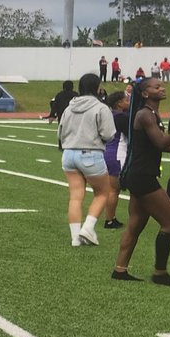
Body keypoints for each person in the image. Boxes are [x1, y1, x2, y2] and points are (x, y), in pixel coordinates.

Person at [112, 78, 170, 285]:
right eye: (157, 86)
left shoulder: (150, 114)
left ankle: (120, 269)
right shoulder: (145, 114)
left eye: (162, 85)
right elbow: (161, 142)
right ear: (145, 94)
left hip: (139, 175)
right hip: (143, 177)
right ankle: (160, 273)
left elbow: (157, 144)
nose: (162, 88)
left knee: (135, 225)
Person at [57, 73, 116, 247]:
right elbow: (108, 134)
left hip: (68, 154)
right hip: (90, 153)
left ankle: (76, 237)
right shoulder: (101, 107)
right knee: (103, 192)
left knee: (75, 197)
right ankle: (88, 228)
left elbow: (60, 132)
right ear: (97, 87)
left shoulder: (69, 107)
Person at [101, 90, 131, 229]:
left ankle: (111, 218)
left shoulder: (109, 115)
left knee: (112, 189)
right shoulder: (121, 117)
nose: (128, 102)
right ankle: (109, 220)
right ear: (119, 103)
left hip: (107, 152)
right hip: (118, 154)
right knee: (114, 190)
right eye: (126, 100)